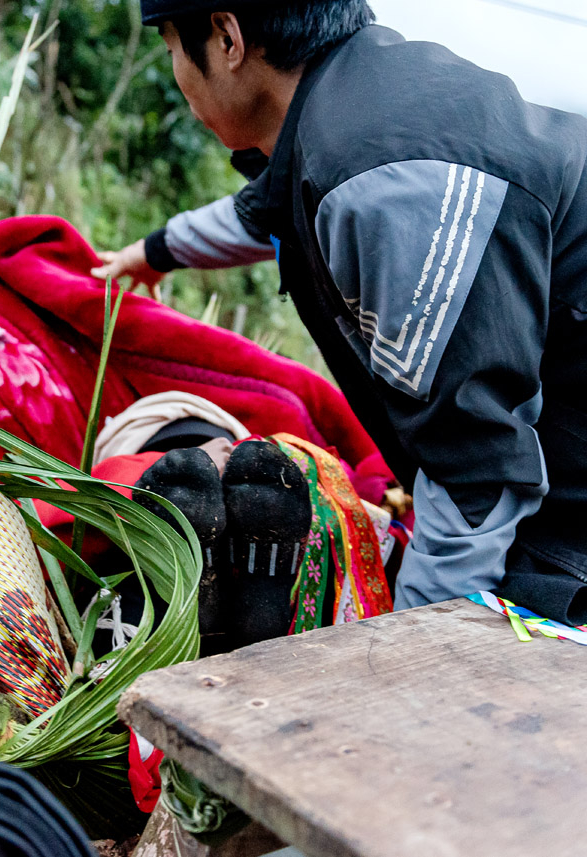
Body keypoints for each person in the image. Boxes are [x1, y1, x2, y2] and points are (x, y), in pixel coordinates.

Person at [92, 0, 587, 623]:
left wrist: (400, 663)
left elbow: (475, 475)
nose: (176, 72)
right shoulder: (361, 100)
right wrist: (152, 253)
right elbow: (265, 210)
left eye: (170, 48)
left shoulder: (387, 183)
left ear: (226, 36)